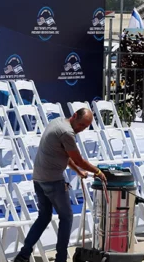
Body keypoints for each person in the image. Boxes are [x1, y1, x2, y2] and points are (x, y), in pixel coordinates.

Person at [14, 108, 107, 262]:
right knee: (67, 217)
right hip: (53, 180)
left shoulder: (57, 123)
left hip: (39, 178)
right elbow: (78, 159)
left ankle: (23, 255)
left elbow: (65, 155)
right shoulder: (67, 133)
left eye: (85, 127)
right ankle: (61, 258)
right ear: (74, 116)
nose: (81, 129)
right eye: (81, 125)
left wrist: (78, 172)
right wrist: (97, 172)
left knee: (44, 216)